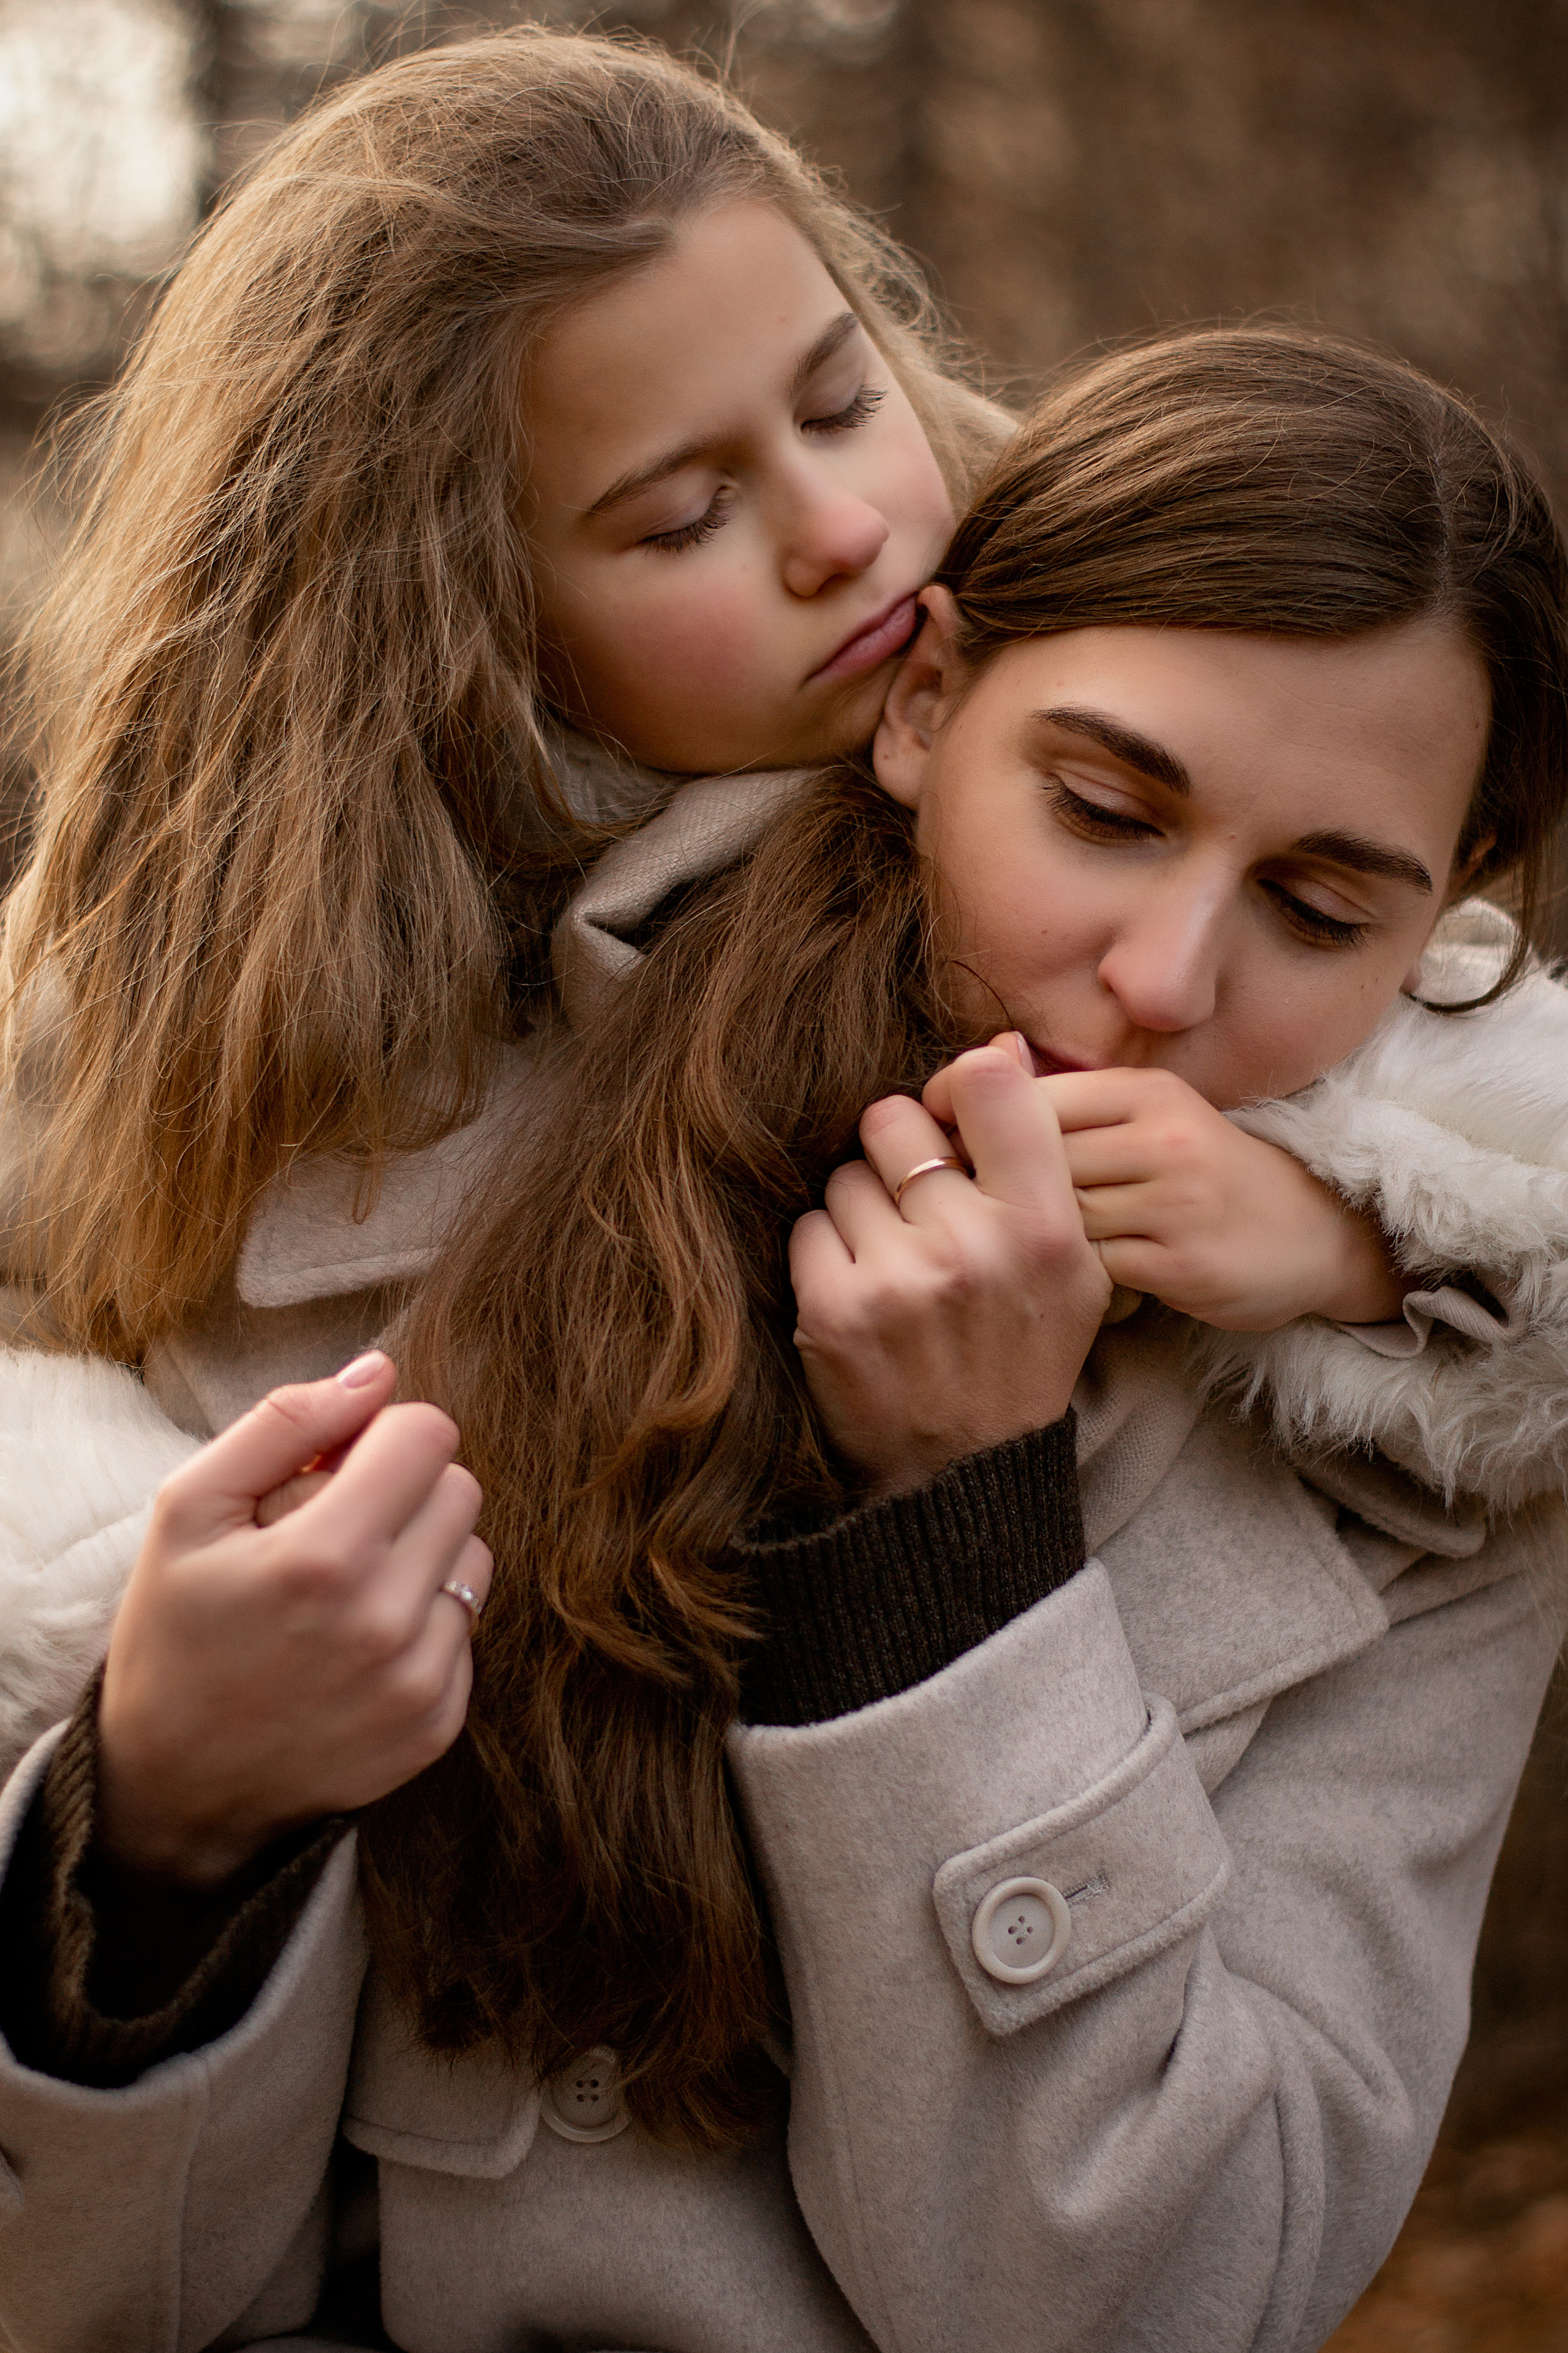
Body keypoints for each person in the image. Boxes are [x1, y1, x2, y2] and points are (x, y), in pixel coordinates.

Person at [2, 325, 1568, 2353]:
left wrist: (959, 1552)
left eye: (1322, 904)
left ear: (1453, 913)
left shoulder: (1438, 1480)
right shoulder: (383, 1095)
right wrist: (159, 1825)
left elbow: (1175, 2298)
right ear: (924, 702)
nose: (1165, 974)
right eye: (1103, 807)